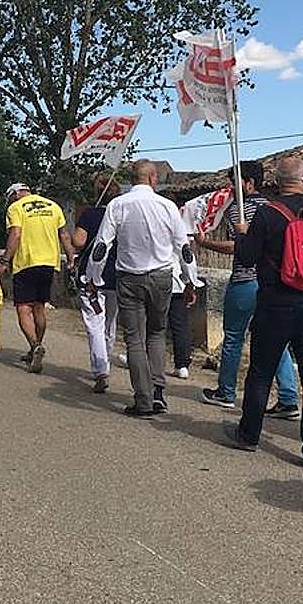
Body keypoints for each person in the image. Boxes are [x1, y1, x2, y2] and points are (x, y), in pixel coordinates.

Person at [226, 157, 303, 467]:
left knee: (261, 373)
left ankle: (249, 435)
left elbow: (248, 256)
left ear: (277, 183)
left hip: (275, 305)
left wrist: (242, 234)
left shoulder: (268, 213)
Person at [87, 161, 198, 417]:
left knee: (134, 339)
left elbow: (102, 245)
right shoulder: (167, 206)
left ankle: (143, 399)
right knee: (157, 333)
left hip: (129, 278)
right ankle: (158, 392)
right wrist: (190, 280)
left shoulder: (117, 205)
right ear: (153, 178)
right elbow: (184, 248)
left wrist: (94, 278)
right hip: (161, 277)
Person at [197, 161, 301, 416]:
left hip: (244, 280)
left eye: (235, 182)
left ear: (249, 183)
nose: (231, 187)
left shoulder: (239, 210)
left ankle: (226, 391)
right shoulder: (273, 208)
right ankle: (288, 397)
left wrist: (206, 243)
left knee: (233, 337)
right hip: (270, 283)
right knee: (277, 340)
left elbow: (239, 246)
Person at [5, 181, 76, 373]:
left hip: (26, 263)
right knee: (39, 308)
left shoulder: (15, 208)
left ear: (14, 194)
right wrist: (70, 258)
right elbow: (64, 235)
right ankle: (35, 347)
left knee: (23, 308)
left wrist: (5, 259)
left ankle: (35, 345)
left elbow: (16, 234)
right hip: (49, 263)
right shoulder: (53, 206)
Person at [73, 176, 120, 393]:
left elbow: (79, 242)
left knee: (94, 323)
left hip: (92, 277)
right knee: (110, 322)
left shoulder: (90, 214)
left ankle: (101, 369)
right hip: (117, 275)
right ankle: (105, 360)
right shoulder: (122, 214)